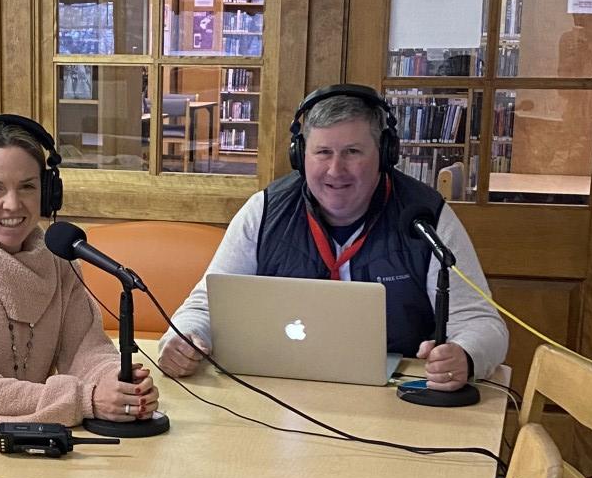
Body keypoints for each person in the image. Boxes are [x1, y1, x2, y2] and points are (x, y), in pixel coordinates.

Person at [159, 84, 507, 389]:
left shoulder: (426, 217)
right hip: (281, 392)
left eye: (353, 152)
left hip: (395, 399)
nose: (335, 170)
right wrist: (184, 338)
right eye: (322, 152)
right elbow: (206, 305)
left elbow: (481, 322)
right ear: (300, 154)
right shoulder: (263, 212)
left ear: (385, 155)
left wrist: (465, 355)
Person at [0, 114, 159, 456]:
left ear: (48, 194)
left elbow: (86, 348)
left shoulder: (58, 260)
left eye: (28, 186)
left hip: (26, 442)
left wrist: (117, 384)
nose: (13, 204)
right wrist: (87, 398)